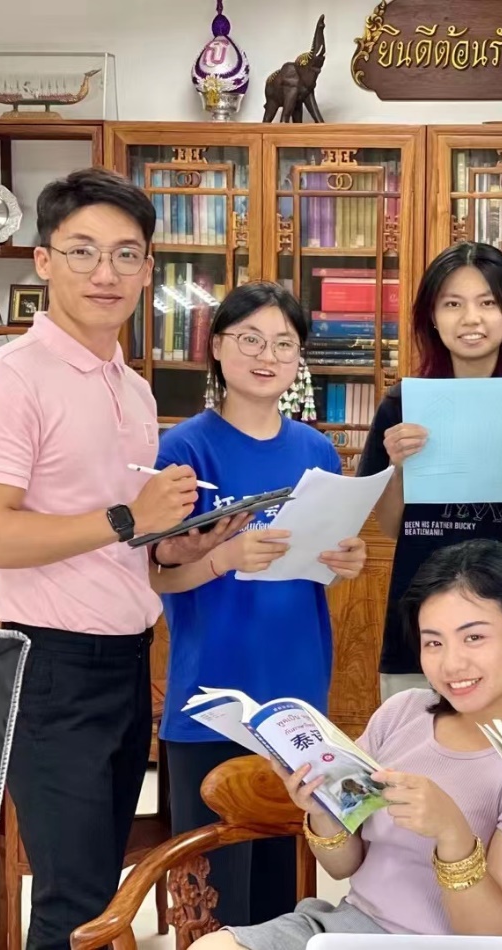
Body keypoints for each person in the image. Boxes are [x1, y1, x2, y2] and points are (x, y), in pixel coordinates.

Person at [0, 167, 240, 950]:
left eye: (125, 254)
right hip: (51, 667)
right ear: (43, 261)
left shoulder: (131, 389)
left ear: (148, 270)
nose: (105, 273)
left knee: (104, 895)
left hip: (126, 659)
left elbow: (120, 542)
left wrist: (173, 540)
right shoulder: (4, 383)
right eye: (82, 251)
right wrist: (128, 519)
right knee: (72, 905)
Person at [190, 538, 502, 950]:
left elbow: (490, 935)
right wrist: (322, 807)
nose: (451, 664)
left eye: (474, 637)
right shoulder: (403, 712)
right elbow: (343, 866)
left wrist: (452, 833)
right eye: (433, 642)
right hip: (345, 929)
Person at [150, 281, 368, 929]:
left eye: (283, 343)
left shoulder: (316, 451)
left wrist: (343, 563)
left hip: (297, 698)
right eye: (250, 339)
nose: (266, 356)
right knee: (213, 898)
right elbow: (159, 576)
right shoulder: (184, 448)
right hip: (210, 700)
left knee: (280, 894)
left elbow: (313, 570)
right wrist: (224, 557)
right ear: (217, 347)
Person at [358, 242, 502, 708]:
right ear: (432, 317)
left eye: (488, 302)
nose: (471, 319)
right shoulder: (402, 405)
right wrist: (398, 467)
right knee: (417, 749)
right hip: (424, 627)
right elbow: (390, 527)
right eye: (453, 304)